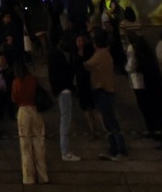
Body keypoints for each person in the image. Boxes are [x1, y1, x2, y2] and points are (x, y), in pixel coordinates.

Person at [84, 32, 127, 161]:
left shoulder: (101, 54)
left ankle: (120, 150)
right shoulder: (104, 54)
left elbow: (87, 65)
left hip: (104, 90)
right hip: (103, 90)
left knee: (111, 122)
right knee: (108, 123)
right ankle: (113, 148)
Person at [10, 60, 49, 185]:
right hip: (34, 110)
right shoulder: (32, 79)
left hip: (22, 112)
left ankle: (28, 178)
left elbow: (14, 98)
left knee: (25, 147)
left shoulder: (16, 82)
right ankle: (43, 176)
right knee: (39, 144)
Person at [48, 41, 79, 162]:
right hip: (64, 89)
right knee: (65, 119)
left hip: (60, 89)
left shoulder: (53, 55)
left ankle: (65, 150)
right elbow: (66, 71)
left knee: (65, 119)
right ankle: (65, 151)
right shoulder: (58, 55)